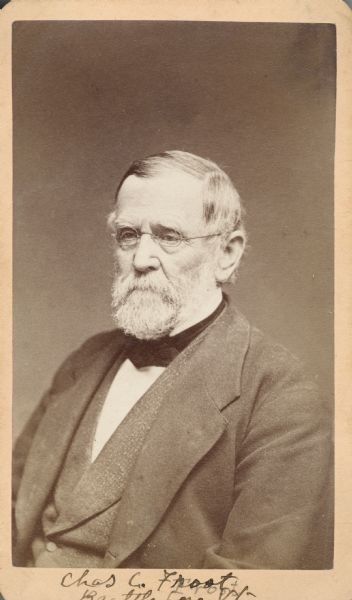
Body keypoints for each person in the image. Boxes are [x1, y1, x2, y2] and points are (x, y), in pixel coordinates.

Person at [12, 150, 333, 569]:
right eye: (129, 235)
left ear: (227, 254)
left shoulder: (282, 397)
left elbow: (251, 582)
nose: (142, 259)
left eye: (169, 237)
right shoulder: (85, 360)